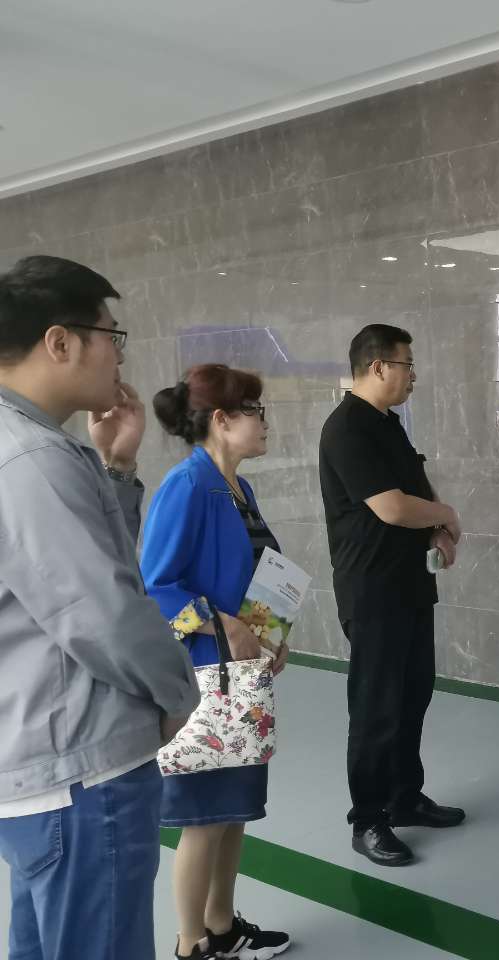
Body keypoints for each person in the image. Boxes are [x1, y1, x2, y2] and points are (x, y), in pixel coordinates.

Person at [0, 255, 199, 959]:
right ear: (60, 342)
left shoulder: (29, 446)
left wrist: (115, 466)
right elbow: (103, 613)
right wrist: (178, 693)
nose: (119, 355)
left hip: (42, 764)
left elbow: (69, 571)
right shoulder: (28, 458)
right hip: (82, 773)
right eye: (111, 335)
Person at [141, 365, 292, 960]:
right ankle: (190, 944)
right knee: (203, 818)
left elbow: (256, 575)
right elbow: (156, 586)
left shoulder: (236, 488)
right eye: (255, 410)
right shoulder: (187, 485)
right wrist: (222, 622)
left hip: (243, 676)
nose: (265, 422)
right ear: (222, 420)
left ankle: (223, 927)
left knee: (233, 811)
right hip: (207, 677)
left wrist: (271, 634)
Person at [318, 324, 463, 867]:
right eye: (406, 365)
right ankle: (369, 819)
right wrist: (446, 514)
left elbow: (414, 489)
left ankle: (405, 797)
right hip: (372, 590)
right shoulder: (346, 429)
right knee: (376, 707)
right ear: (377, 366)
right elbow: (392, 507)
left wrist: (438, 529)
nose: (413, 376)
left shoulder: (388, 424)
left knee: (412, 693)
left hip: (409, 584)